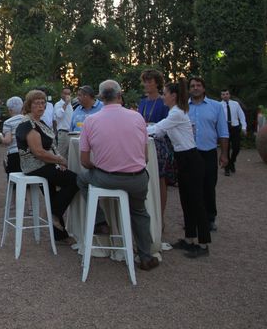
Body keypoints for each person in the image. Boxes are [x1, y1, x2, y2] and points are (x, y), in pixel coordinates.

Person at [77, 80, 159, 271]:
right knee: (139, 212)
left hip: (106, 179)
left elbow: (84, 161)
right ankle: (145, 256)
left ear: (100, 98)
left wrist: (99, 167)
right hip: (137, 178)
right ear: (120, 95)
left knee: (81, 178)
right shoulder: (137, 117)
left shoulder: (90, 121)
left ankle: (100, 221)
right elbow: (145, 156)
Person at [148, 79, 211, 258]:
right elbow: (159, 131)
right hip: (183, 159)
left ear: (173, 96)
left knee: (196, 201)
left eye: (165, 93)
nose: (163, 97)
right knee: (186, 200)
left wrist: (136, 129)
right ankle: (189, 238)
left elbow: (158, 128)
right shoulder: (173, 113)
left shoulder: (175, 114)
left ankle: (204, 243)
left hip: (190, 159)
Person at [15, 90, 78, 242]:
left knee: (53, 193)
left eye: (43, 103)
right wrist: (59, 160)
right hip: (34, 166)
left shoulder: (40, 123)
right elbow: (39, 152)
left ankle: (59, 235)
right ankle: (54, 214)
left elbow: (50, 146)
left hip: (43, 164)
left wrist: (57, 161)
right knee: (75, 180)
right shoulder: (28, 124)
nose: (41, 106)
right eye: (37, 103)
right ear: (29, 105)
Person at [188, 76, 229, 231]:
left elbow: (223, 132)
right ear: (189, 89)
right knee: (191, 186)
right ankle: (193, 218)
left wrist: (224, 154)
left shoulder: (216, 107)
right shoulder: (184, 107)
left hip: (208, 152)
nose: (195, 88)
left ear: (204, 88)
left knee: (209, 186)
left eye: (198, 85)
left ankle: (210, 217)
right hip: (190, 153)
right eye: (192, 86)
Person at [137, 69, 172, 227]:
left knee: (160, 179)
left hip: (159, 143)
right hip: (143, 142)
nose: (146, 84)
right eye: (145, 81)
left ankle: (160, 217)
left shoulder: (163, 102)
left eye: (150, 81)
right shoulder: (143, 102)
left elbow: (167, 125)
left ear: (157, 83)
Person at [220, 89, 247, 176]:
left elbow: (241, 115)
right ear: (221, 96)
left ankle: (232, 162)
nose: (225, 96)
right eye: (223, 94)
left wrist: (244, 127)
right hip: (224, 129)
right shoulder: (219, 105)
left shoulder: (235, 104)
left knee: (236, 148)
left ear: (229, 95)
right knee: (226, 149)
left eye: (227, 94)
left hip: (235, 128)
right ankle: (227, 168)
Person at [1, 96, 25, 174]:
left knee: (13, 177)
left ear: (10, 109)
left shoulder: (8, 122)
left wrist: (1, 136)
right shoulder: (27, 119)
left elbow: (7, 141)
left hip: (14, 153)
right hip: (27, 153)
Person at [54, 88, 73, 159]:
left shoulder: (70, 105)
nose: (67, 95)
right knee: (61, 156)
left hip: (71, 133)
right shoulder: (58, 104)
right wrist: (65, 104)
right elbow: (59, 115)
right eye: (65, 93)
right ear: (62, 94)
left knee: (70, 156)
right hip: (63, 133)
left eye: (69, 94)